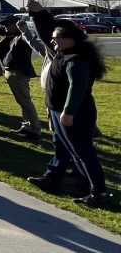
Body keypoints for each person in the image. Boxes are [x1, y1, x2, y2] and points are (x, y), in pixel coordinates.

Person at [26, 21, 112, 208]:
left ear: (70, 40)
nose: (53, 40)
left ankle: (99, 192)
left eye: (57, 38)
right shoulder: (62, 54)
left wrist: (68, 111)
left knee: (82, 152)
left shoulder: (76, 61)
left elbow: (77, 88)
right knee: (63, 147)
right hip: (58, 111)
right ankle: (52, 179)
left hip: (73, 114)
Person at [0, 14, 41, 140]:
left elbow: (30, 39)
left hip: (18, 72)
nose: (6, 27)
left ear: (16, 24)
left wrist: (24, 30)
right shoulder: (12, 37)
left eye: (8, 25)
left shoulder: (22, 36)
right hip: (12, 72)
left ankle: (35, 128)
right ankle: (27, 126)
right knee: (22, 101)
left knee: (25, 101)